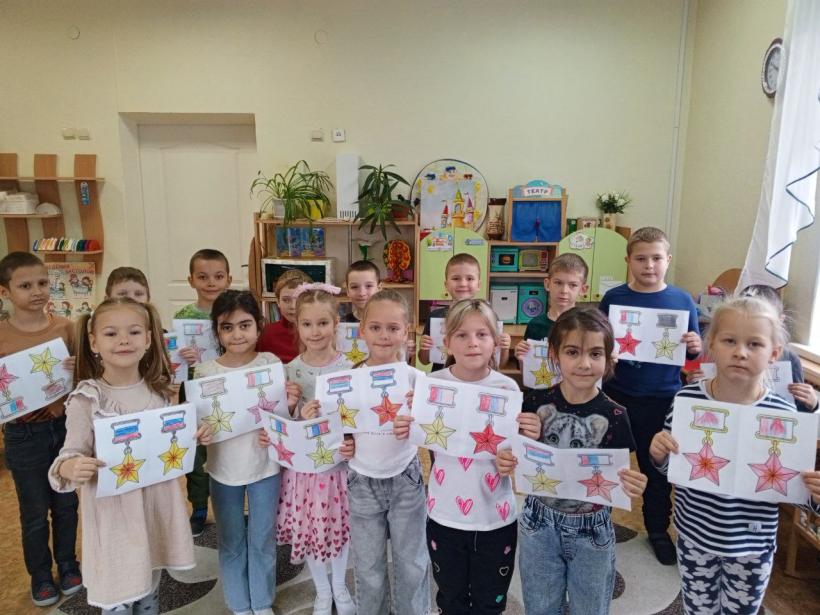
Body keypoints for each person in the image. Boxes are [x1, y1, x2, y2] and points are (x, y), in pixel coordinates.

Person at [650, 296, 820, 614]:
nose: (741, 352)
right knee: (697, 609)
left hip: (752, 545)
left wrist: (813, 495)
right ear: (711, 345)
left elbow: (796, 490)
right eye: (730, 341)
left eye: (754, 344)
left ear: (774, 354)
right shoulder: (687, 401)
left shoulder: (784, 414)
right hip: (695, 536)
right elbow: (672, 467)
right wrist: (659, 455)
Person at [48, 298, 212, 614]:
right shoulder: (87, 398)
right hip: (115, 517)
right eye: (111, 334)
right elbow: (69, 453)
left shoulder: (160, 391)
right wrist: (71, 466)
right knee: (119, 589)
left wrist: (195, 434)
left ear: (148, 339)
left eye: (134, 332)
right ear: (93, 342)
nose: (124, 340)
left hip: (155, 507)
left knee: (150, 583)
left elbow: (170, 442)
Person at [498, 308, 647, 614]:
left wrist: (633, 484)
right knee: (540, 605)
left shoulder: (615, 415)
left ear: (609, 358)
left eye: (595, 353)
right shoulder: (534, 402)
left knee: (590, 607)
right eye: (572, 352)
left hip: (592, 528)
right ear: (554, 355)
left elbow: (622, 473)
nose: (584, 363)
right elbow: (515, 454)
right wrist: (507, 458)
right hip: (538, 522)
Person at [396, 298, 536, 614]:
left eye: (482, 334)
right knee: (450, 600)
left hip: (496, 516)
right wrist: (407, 421)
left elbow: (516, 455)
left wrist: (519, 450)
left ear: (495, 341)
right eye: (462, 335)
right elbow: (416, 436)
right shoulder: (431, 385)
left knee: (490, 602)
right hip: (444, 514)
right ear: (447, 342)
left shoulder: (507, 389)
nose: (473, 342)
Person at [598, 226, 702, 564]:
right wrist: (605, 353)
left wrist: (695, 346)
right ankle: (598, 524)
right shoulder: (613, 298)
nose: (649, 265)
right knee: (605, 464)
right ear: (628, 260)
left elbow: (693, 356)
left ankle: (657, 530)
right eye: (641, 259)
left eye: (656, 258)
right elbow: (599, 342)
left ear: (668, 260)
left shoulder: (682, 301)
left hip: (662, 400)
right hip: (616, 396)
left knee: (657, 469)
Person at [196, 290, 299, 615]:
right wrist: (199, 432)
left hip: (265, 466)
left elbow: (282, 418)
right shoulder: (205, 372)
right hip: (223, 468)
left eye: (245, 325)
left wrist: (288, 406)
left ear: (258, 326)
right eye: (227, 327)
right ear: (217, 331)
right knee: (230, 539)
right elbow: (199, 423)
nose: (237, 334)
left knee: (262, 537)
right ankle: (239, 604)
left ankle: (262, 601)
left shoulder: (270, 364)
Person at [260, 283, 355, 615]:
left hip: (338, 466)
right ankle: (322, 591)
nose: (315, 332)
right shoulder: (289, 372)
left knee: (339, 528)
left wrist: (348, 434)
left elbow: (358, 419)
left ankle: (340, 586)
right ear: (297, 326)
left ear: (336, 323)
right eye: (307, 324)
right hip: (304, 471)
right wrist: (296, 411)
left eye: (323, 323)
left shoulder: (350, 368)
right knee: (311, 528)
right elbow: (282, 423)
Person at [0, 251, 81, 606]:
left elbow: (84, 379)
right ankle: (41, 575)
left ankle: (68, 564)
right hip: (22, 434)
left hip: (64, 428)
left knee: (66, 504)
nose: (37, 291)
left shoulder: (66, 328)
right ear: (5, 292)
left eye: (43, 283)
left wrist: (79, 367)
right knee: (34, 512)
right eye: (25, 286)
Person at [345, 289, 430, 615]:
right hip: (361, 479)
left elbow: (433, 431)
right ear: (362, 330)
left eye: (393, 328)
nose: (384, 335)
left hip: (405, 477)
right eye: (376, 327)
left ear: (406, 332)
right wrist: (341, 441)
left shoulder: (417, 380)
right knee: (368, 565)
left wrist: (418, 420)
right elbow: (340, 430)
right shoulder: (348, 379)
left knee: (412, 562)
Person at [173, 248, 233, 536]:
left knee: (227, 446)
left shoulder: (233, 313)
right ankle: (198, 507)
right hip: (192, 392)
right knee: (195, 452)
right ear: (191, 280)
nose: (211, 283)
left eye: (218, 276)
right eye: (203, 277)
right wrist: (180, 357)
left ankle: (230, 505)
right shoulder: (182, 317)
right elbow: (173, 362)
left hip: (226, 391)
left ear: (228, 279)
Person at [420, 253, 511, 371]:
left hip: (476, 379)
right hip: (442, 380)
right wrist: (424, 348)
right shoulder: (436, 316)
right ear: (446, 285)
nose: (463, 283)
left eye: (470, 279)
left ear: (478, 285)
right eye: (456, 278)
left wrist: (505, 348)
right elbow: (424, 361)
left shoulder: (489, 316)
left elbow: (500, 364)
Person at [514, 253, 589, 361]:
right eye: (558, 283)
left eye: (573, 285)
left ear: (583, 289)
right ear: (547, 284)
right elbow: (528, 367)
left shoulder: (588, 326)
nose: (564, 291)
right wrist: (521, 357)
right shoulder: (535, 325)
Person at [257, 269, 312, 363]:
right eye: (286, 300)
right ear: (278, 302)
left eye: (299, 299)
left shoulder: (322, 331)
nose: (293, 306)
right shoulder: (266, 334)